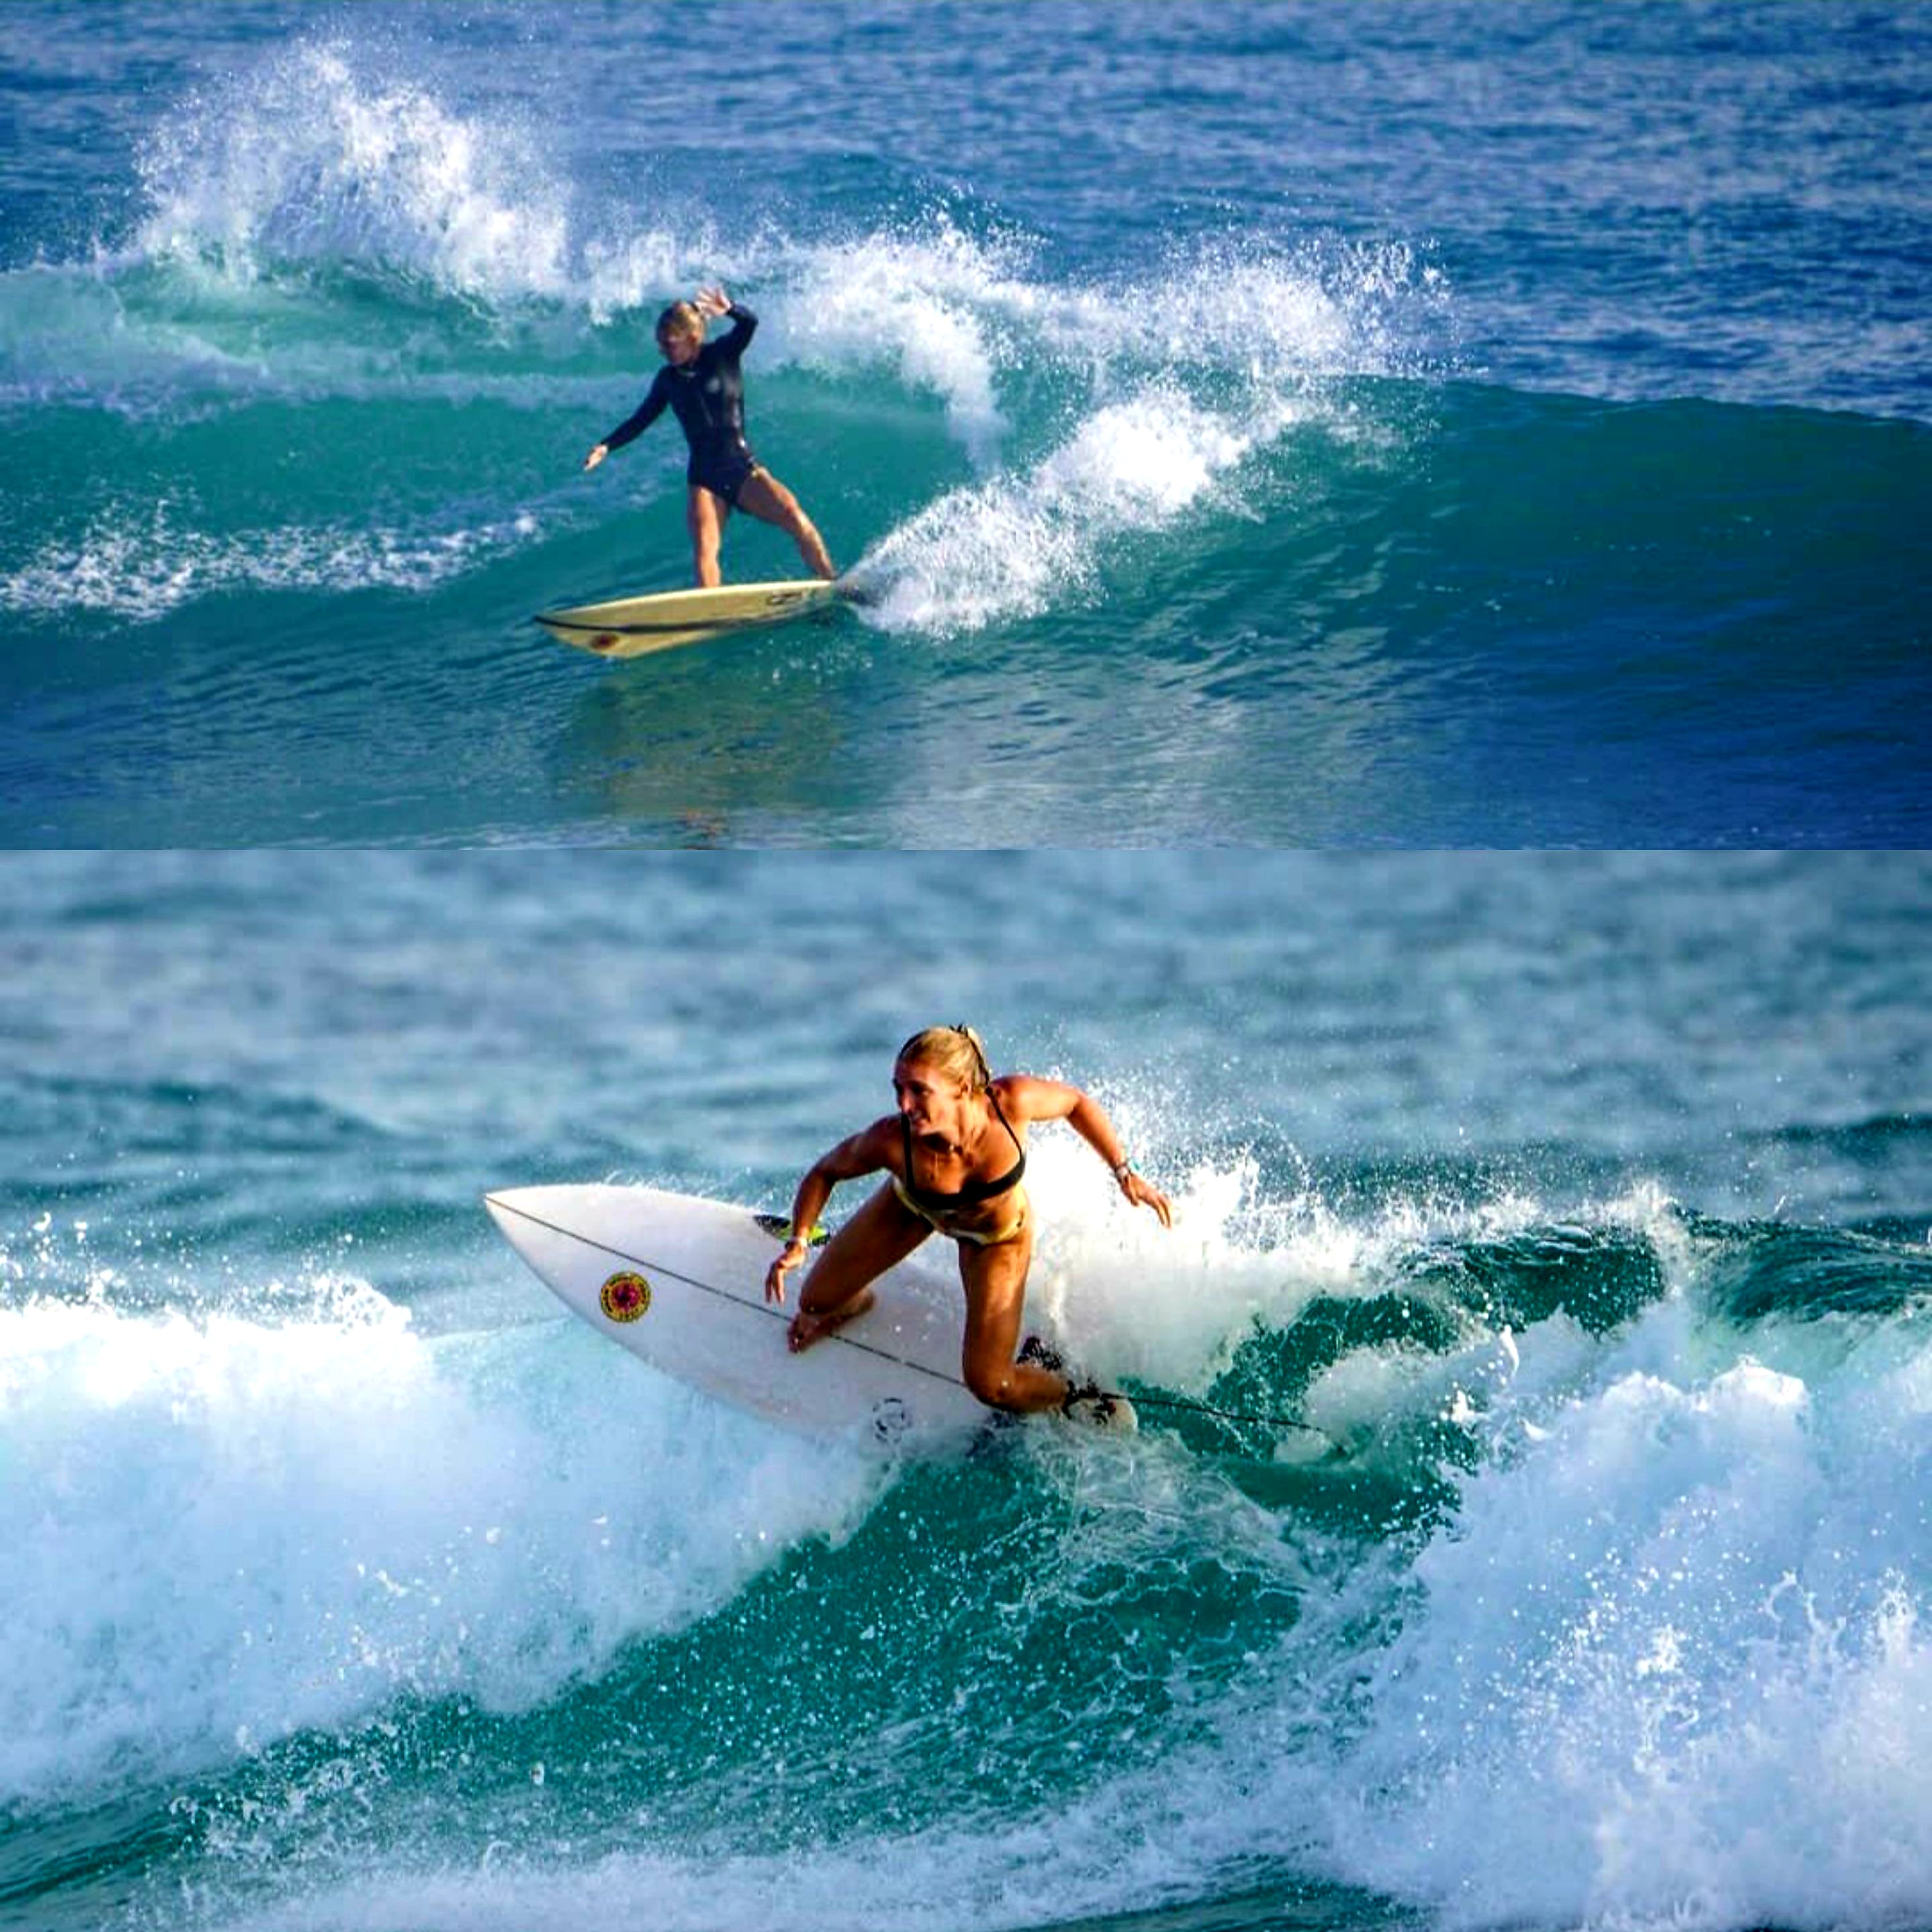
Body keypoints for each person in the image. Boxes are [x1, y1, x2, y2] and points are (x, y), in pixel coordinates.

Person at [763, 1026, 1173, 1421]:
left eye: (919, 1091)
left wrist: (1124, 1172)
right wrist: (798, 1242)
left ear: (961, 1088)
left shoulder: (1011, 1104)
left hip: (996, 1240)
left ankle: (1071, 1389)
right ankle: (855, 1301)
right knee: (813, 1303)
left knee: (991, 1385)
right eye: (898, 1089)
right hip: (911, 1209)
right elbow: (824, 1172)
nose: (904, 1105)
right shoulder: (893, 1140)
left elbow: (1076, 1103)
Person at [582, 285, 835, 588]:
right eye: (660, 344)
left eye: (669, 343)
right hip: (704, 477)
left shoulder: (722, 355)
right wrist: (606, 445)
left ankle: (831, 581)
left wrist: (730, 310)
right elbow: (641, 419)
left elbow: (749, 324)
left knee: (794, 517)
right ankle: (712, 610)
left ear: (691, 338)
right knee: (705, 551)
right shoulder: (668, 380)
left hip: (742, 469)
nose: (663, 350)